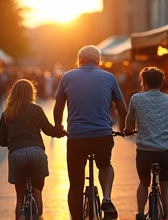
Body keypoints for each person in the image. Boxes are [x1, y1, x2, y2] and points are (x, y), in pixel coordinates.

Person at [53, 45, 127, 220]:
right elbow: (122, 109)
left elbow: (58, 107)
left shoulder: (68, 77)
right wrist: (123, 127)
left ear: (79, 61)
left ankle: (76, 216)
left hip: (77, 137)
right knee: (105, 164)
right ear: (99, 61)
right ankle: (107, 198)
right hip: (102, 135)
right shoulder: (109, 77)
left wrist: (58, 127)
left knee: (76, 183)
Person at [0, 79, 65, 220]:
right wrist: (59, 132)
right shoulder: (36, 109)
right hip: (37, 153)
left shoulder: (6, 113)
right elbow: (48, 130)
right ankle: (38, 214)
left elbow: (2, 140)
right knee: (37, 190)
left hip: (17, 154)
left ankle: (22, 215)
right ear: (31, 93)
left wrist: (13, 143)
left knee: (20, 198)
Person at [124, 67, 168, 220]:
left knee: (144, 183)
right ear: (161, 83)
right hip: (167, 151)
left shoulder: (136, 99)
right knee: (166, 189)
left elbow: (129, 123)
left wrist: (129, 130)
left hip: (145, 151)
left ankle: (139, 213)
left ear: (143, 82)